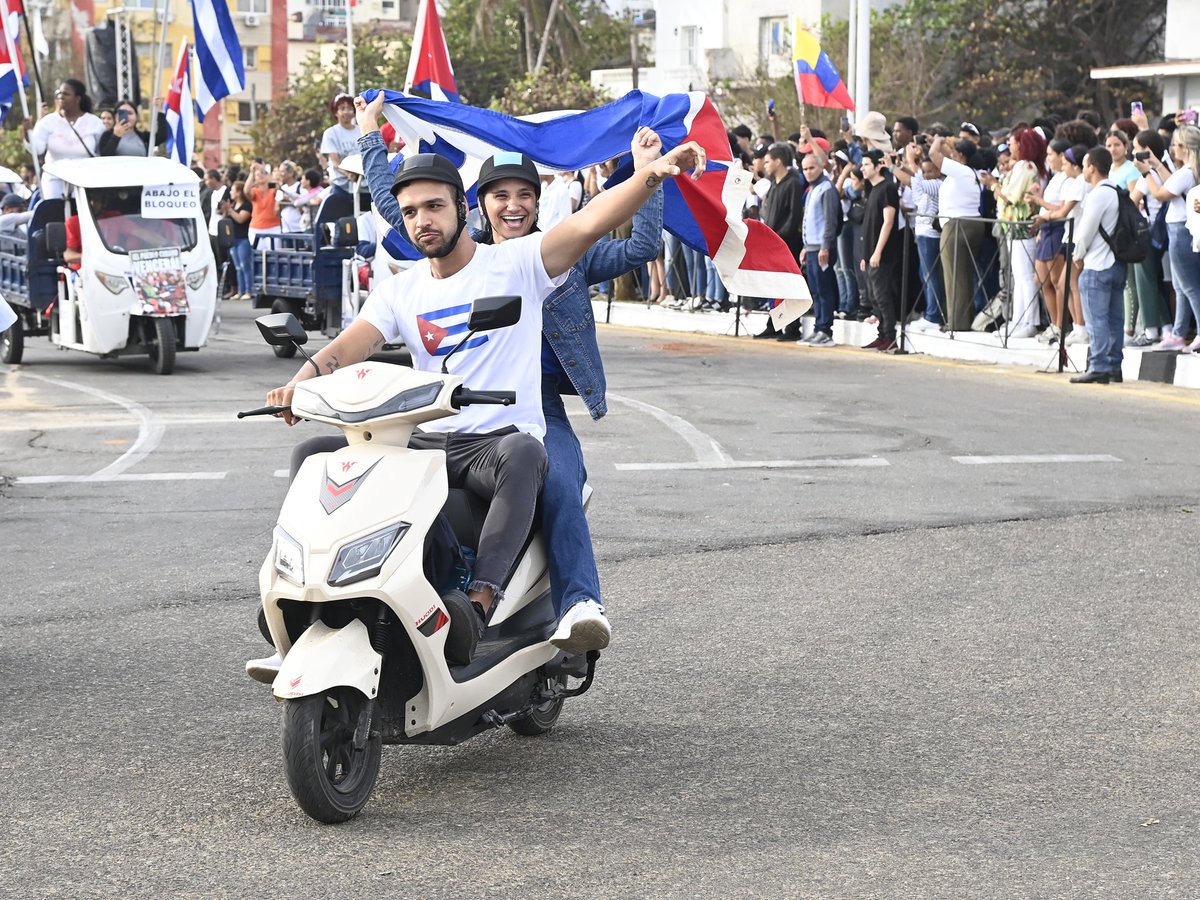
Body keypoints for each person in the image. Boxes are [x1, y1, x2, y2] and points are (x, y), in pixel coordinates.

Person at [260, 117, 702, 667]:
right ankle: (304, 596)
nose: (423, 220)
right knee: (316, 456)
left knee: (528, 454)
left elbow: (590, 224)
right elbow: (345, 349)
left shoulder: (518, 262)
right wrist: (299, 386)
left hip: (496, 441)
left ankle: (481, 600)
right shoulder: (401, 290)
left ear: (461, 210)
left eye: (435, 207)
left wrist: (649, 176)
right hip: (426, 442)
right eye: (413, 211)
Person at [1069, 147, 1125, 384]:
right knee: (1114, 319)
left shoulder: (1098, 194)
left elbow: (1086, 231)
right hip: (1117, 263)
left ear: (1092, 167)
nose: (1083, 168)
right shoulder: (1117, 191)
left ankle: (1099, 365)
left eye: (1085, 164)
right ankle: (1113, 365)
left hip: (1097, 264)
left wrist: (1077, 255)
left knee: (1097, 319)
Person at [1142, 124, 1200, 351]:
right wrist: (1156, 164)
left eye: (1176, 144)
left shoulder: (1187, 172)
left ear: (1185, 147)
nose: (1173, 148)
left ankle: (1188, 333)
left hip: (1180, 230)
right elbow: (1171, 183)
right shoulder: (1189, 172)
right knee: (1181, 285)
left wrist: (1146, 172)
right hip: (1184, 228)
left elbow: (1161, 193)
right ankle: (1178, 333)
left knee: (1189, 285)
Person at [929, 135, 985, 331]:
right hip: (969, 223)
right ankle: (961, 319)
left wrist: (937, 140)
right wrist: (945, 144)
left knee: (954, 277)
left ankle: (956, 323)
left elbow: (933, 154)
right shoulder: (968, 172)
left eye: (953, 152)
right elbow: (942, 155)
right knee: (962, 276)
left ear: (960, 155)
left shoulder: (961, 171)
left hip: (957, 225)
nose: (950, 155)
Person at [756, 142, 805, 340]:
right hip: (773, 241)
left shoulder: (792, 183)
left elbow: (794, 216)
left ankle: (793, 328)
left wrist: (780, 236)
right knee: (773, 286)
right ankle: (774, 324)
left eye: (768, 161)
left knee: (789, 286)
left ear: (779, 162)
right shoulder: (774, 184)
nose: (765, 165)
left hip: (787, 242)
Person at [26, 79, 105, 200]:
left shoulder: (95, 123)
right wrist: (27, 133)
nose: (61, 96)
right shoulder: (47, 121)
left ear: (78, 98)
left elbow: (102, 152)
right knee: (54, 213)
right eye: (59, 93)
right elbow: (37, 149)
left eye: (66, 94)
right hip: (54, 178)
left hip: (84, 179)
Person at [858, 149, 902, 351]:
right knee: (875, 298)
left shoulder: (887, 188)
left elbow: (888, 222)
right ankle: (881, 334)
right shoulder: (872, 189)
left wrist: (877, 252)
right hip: (870, 253)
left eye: (867, 164)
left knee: (883, 296)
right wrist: (866, 255)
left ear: (878, 166)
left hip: (883, 254)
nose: (863, 169)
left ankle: (890, 335)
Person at [798, 151, 840, 344]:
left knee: (824, 289)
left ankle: (825, 329)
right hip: (812, 248)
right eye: (805, 169)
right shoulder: (812, 189)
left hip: (823, 249)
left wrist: (825, 247)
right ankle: (818, 327)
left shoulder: (826, 189)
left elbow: (830, 221)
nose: (808, 172)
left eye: (811, 168)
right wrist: (807, 246)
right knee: (815, 290)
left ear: (821, 167)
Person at [320, 93, 361, 197]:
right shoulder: (331, 133)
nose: (346, 112)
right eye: (342, 108)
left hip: (363, 185)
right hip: (341, 186)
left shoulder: (361, 130)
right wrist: (349, 174)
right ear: (336, 112)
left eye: (349, 108)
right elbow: (335, 162)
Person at [97, 98, 168, 157]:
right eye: (122, 113)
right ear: (115, 117)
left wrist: (159, 111)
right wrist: (116, 136)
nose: (127, 116)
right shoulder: (107, 135)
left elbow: (161, 136)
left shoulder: (143, 136)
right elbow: (105, 156)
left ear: (136, 117)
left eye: (130, 113)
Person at [222, 180, 253, 300]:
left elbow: (241, 219)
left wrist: (230, 210)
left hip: (243, 238)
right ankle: (241, 290)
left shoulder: (246, 205)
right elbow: (226, 220)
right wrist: (226, 210)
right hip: (233, 239)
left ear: (239, 192)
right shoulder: (233, 205)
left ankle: (249, 290)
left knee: (245, 265)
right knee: (237, 267)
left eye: (233, 190)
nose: (230, 193)